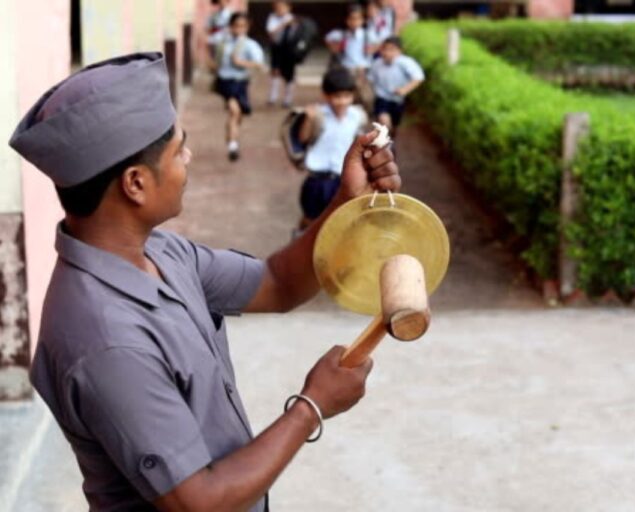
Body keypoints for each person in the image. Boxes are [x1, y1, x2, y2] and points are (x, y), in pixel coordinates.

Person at [8, 52, 400, 512]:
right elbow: (201, 502)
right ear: (135, 183)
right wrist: (311, 407)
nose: (189, 157)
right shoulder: (106, 341)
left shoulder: (159, 252)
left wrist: (344, 203)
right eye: (179, 150)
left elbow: (276, 282)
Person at [296, 68, 369, 231]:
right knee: (310, 219)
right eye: (337, 96)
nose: (342, 101)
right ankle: (299, 240)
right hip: (317, 179)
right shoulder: (318, 115)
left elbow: (358, 140)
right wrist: (308, 119)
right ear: (326, 96)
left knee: (338, 221)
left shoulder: (357, 116)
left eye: (347, 96)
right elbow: (303, 139)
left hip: (341, 179)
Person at [209, 12, 265, 161]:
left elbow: (259, 64)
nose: (238, 29)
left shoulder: (249, 45)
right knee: (234, 111)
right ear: (231, 26)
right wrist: (213, 64)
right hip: (225, 82)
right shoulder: (223, 41)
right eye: (236, 26)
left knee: (237, 116)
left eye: (242, 26)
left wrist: (241, 62)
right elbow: (210, 48)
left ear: (247, 27)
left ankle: (232, 139)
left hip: (240, 82)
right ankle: (233, 146)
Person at [368, 36, 424, 136]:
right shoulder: (376, 64)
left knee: (394, 126)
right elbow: (371, 80)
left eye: (391, 50)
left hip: (398, 100)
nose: (387, 53)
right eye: (385, 49)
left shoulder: (406, 63)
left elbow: (419, 77)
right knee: (384, 123)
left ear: (399, 51)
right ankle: (385, 145)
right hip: (382, 98)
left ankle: (390, 142)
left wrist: (405, 89)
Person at [266, 0, 297, 108]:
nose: (279, 10)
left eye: (282, 7)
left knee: (289, 74)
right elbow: (271, 31)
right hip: (277, 48)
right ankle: (272, 97)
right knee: (275, 71)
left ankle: (288, 99)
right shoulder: (273, 18)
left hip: (289, 49)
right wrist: (283, 25)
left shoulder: (293, 19)